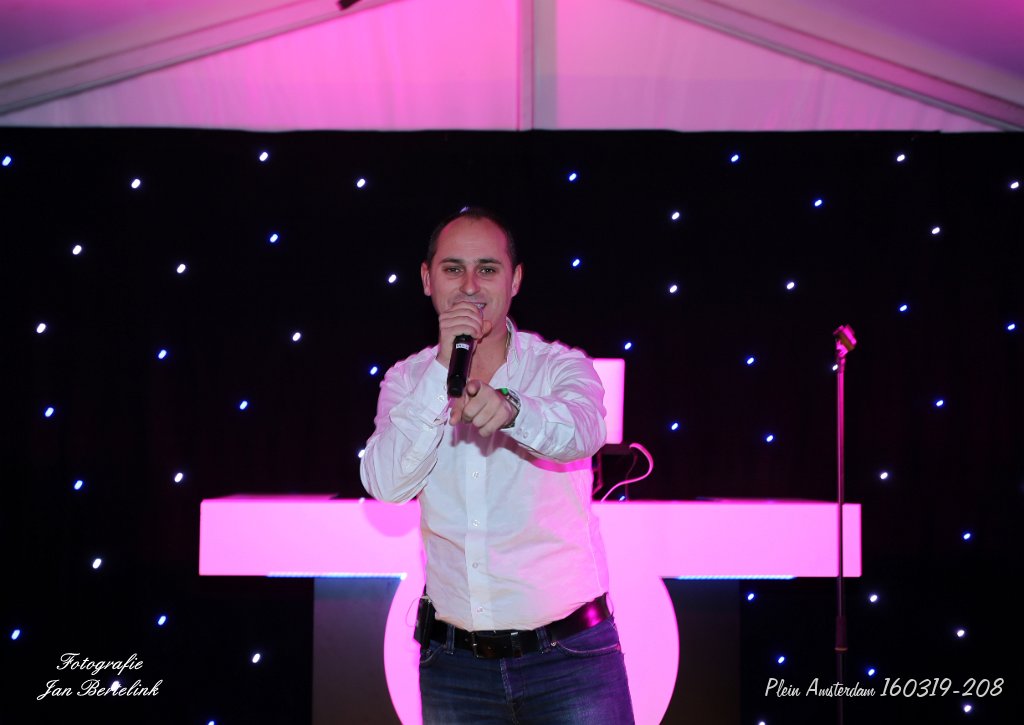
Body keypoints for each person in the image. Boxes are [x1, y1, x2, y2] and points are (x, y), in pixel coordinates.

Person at [360, 208, 634, 724]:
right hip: (454, 668)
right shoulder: (406, 380)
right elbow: (386, 484)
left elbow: (582, 430)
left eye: (487, 269)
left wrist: (513, 410)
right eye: (453, 269)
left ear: (515, 280)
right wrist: (441, 371)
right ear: (427, 280)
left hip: (571, 659)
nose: (469, 286)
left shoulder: (560, 366)